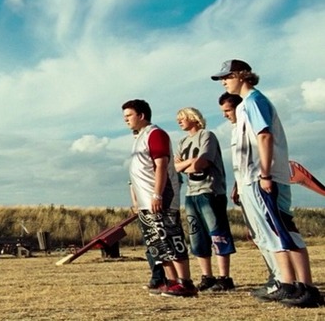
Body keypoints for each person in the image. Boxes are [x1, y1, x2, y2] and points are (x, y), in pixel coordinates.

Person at [212, 59, 322, 308]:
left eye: (227, 76)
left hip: (263, 177)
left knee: (284, 229)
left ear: (242, 75)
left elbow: (264, 136)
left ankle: (307, 288)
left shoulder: (253, 101)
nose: (223, 81)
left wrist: (265, 174)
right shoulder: (246, 105)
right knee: (274, 233)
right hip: (252, 178)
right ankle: (288, 283)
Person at [121, 99, 197, 297]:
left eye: (129, 116)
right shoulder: (138, 138)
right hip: (145, 201)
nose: (126, 120)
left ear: (141, 115)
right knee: (156, 243)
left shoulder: (155, 134)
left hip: (161, 198)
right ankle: (171, 280)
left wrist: (157, 194)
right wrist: (137, 200)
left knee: (171, 238)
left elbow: (161, 165)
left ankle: (185, 282)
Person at [219, 92, 280, 298]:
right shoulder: (236, 129)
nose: (226, 115)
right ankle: (275, 276)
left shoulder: (251, 119)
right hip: (244, 183)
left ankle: (281, 278)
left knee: (267, 232)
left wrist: (265, 175)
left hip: (256, 180)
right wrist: (237, 185)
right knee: (257, 235)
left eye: (228, 110)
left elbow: (260, 148)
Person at [174, 107, 236, 292]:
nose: (179, 121)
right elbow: (175, 167)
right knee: (196, 236)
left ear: (194, 118)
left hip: (210, 190)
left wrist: (185, 165)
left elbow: (201, 163)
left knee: (217, 233)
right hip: (191, 193)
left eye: (182, 117)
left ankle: (224, 277)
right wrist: (188, 164)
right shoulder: (182, 142)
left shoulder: (207, 136)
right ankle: (206, 276)